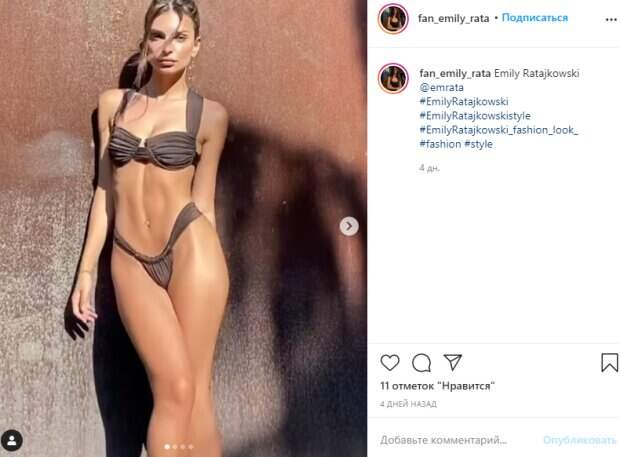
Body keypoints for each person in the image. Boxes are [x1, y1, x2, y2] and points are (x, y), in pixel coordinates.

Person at [70, 1, 229, 456]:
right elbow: (105, 191)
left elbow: (205, 203)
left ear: (196, 47)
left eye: (179, 38)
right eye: (157, 36)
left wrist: (215, 277)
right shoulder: (113, 105)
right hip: (130, 257)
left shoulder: (210, 116)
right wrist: (86, 272)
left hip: (192, 250)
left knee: (197, 393)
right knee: (175, 387)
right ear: (144, 42)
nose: (167, 47)